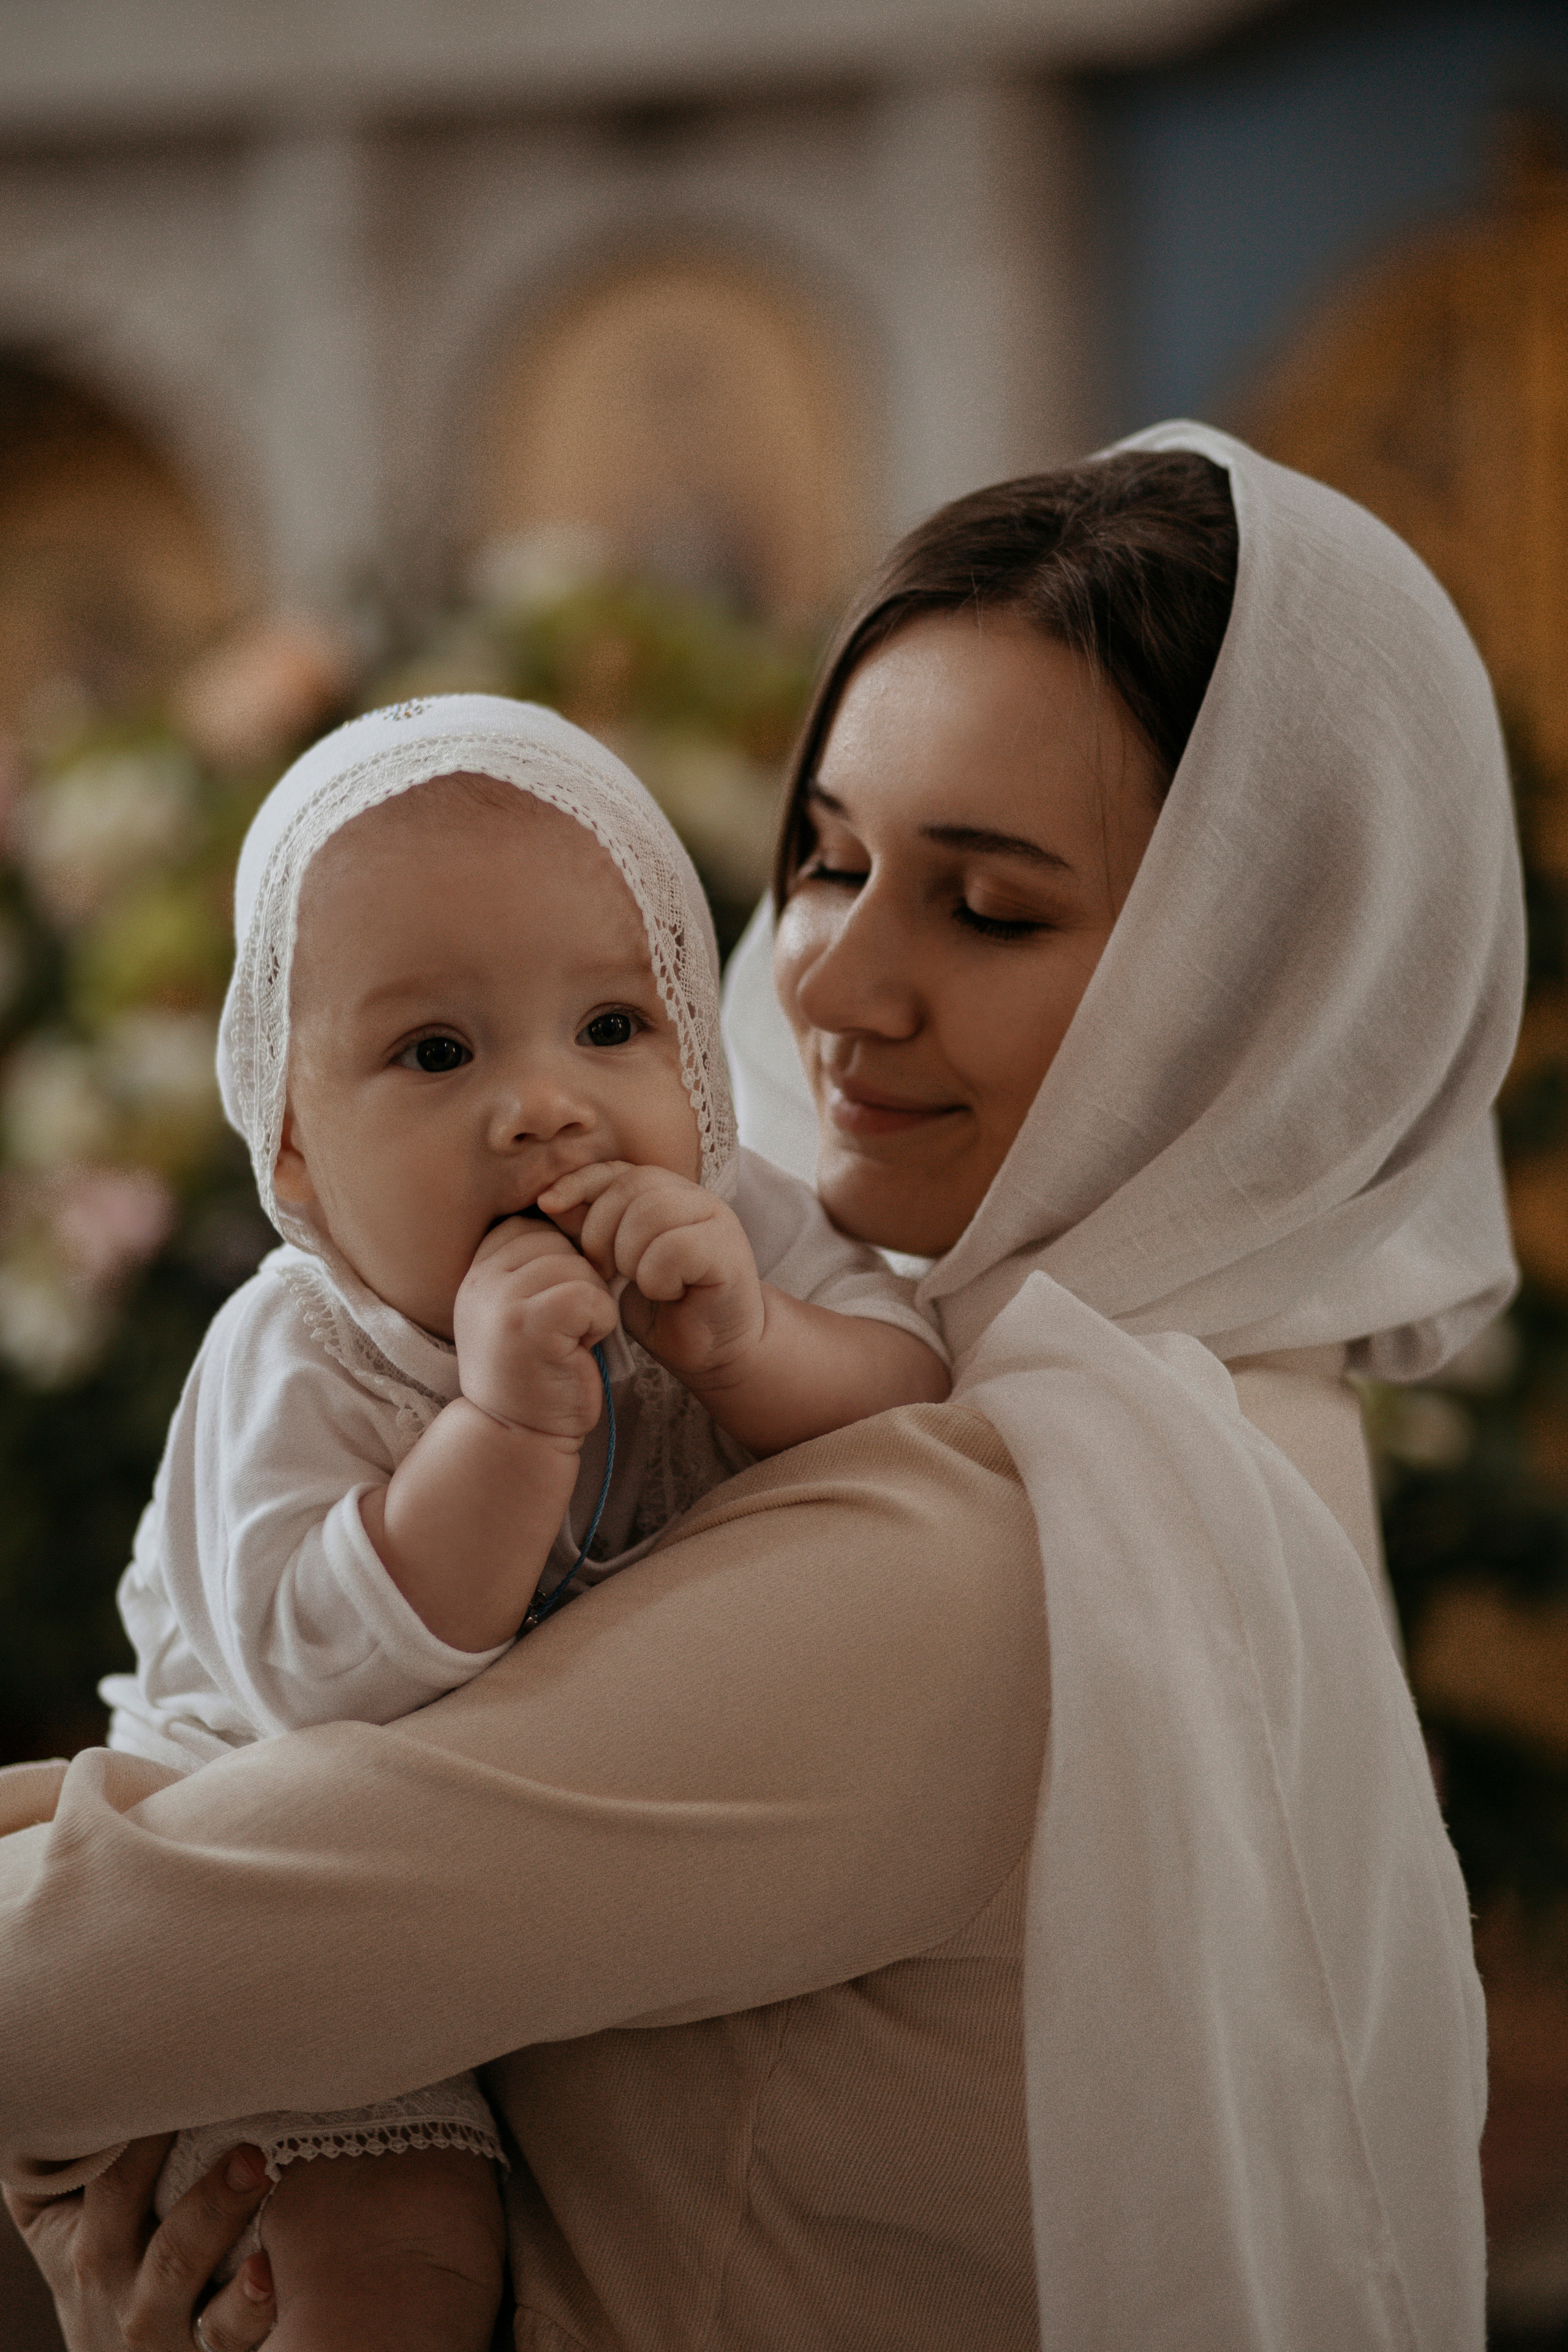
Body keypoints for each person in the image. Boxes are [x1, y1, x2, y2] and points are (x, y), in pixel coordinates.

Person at [0, 423, 1522, 2352]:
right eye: (827, 860)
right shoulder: (1210, 1396)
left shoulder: (998, 1538)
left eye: (988, 908)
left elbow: (112, 1978)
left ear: (1254, 978)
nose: (827, 984)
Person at [99, 696, 948, 2346]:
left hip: (563, 1904)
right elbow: (316, 1686)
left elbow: (913, 1403)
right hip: (283, 1882)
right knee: (387, 2278)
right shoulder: (306, 1348)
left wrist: (754, 1350)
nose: (546, 1108)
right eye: (436, 1054)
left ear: (701, 1064)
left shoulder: (741, 1228)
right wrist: (497, 1436)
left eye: (616, 1028)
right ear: (290, 1140)